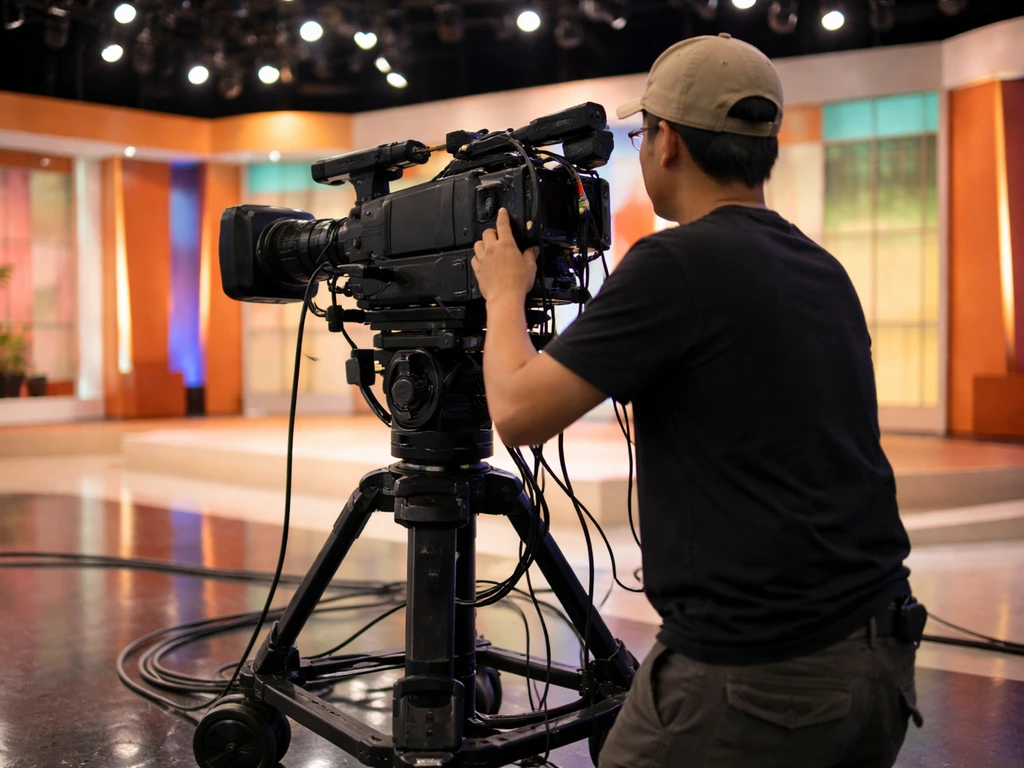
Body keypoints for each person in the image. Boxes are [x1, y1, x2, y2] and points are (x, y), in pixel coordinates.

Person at [470, 33, 924, 768]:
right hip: (878, 661)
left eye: (642, 133)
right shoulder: (820, 266)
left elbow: (518, 413)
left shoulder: (676, 263)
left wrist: (502, 294)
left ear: (668, 142)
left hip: (759, 676)